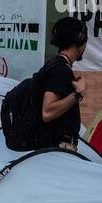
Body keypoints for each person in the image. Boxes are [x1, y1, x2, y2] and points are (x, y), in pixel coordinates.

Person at [38, 16, 88, 150]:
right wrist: (77, 94)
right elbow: (47, 112)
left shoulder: (57, 66)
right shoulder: (59, 69)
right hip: (60, 148)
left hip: (56, 147)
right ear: (79, 39)